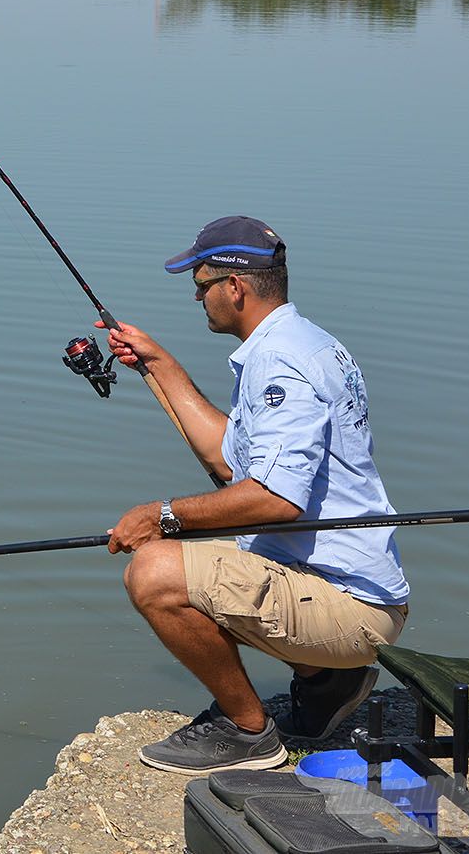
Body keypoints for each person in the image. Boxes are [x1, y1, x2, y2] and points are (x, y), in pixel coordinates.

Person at [100, 216, 409, 776]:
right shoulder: (301, 341)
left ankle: (249, 733)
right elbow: (228, 459)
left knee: (154, 573)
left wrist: (162, 517)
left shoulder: (280, 364)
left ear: (235, 287)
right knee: (194, 555)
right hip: (350, 590)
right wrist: (159, 365)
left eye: (201, 287)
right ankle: (326, 683)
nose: (199, 299)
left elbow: (275, 500)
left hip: (351, 605)